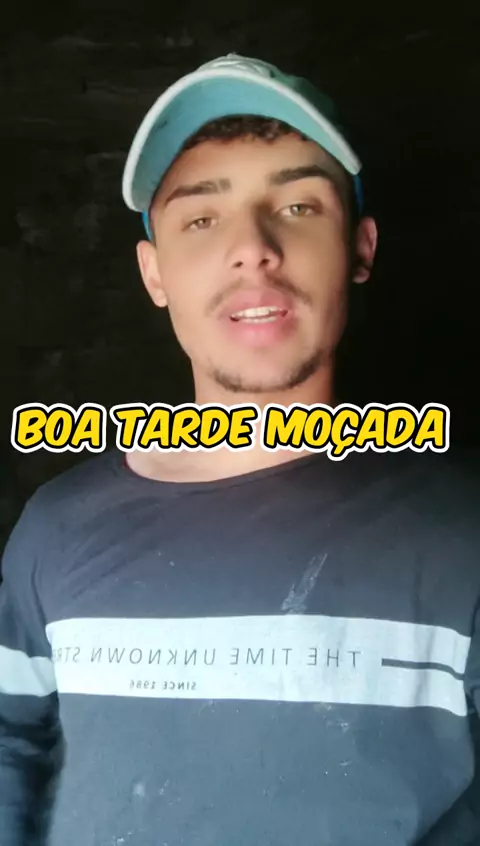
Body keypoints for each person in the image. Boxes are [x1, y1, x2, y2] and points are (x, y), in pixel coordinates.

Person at [0, 53, 479, 846]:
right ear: (154, 273)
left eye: (296, 206)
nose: (252, 247)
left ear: (360, 248)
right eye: (200, 219)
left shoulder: (463, 533)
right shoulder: (53, 530)